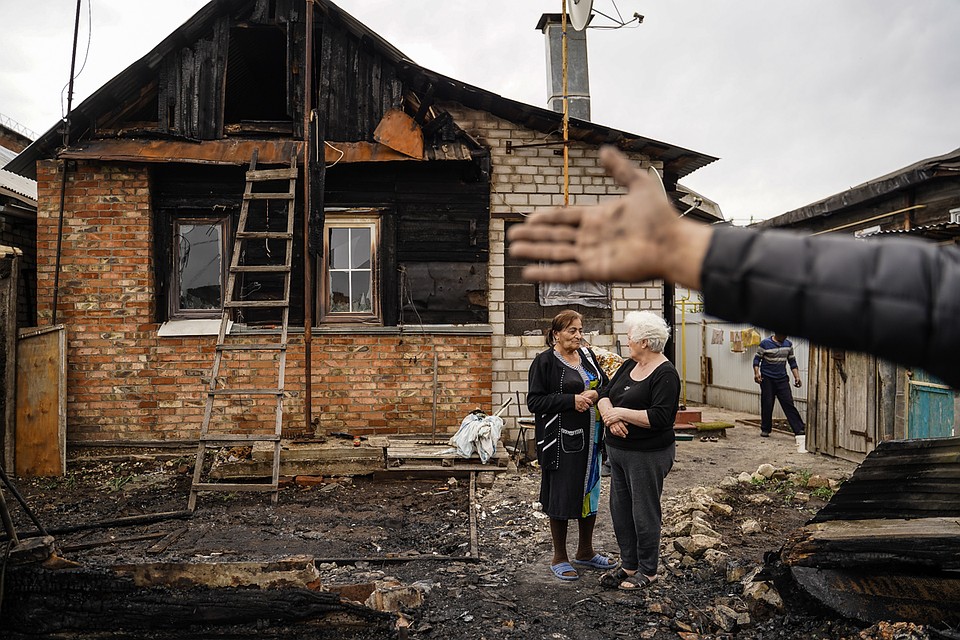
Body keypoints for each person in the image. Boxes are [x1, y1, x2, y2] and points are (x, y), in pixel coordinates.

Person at [507, 146, 960, 389]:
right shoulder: (573, 363)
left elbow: (929, 296)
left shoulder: (655, 371)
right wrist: (703, 254)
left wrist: (706, 255)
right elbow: (933, 297)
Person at [526, 310, 617, 581]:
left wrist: (595, 393)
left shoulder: (588, 358)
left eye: (580, 330)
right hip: (561, 442)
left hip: (592, 439)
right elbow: (535, 402)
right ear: (556, 334)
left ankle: (585, 551)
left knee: (590, 493)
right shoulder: (545, 363)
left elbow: (607, 386)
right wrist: (570, 401)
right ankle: (560, 556)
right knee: (562, 494)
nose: (578, 335)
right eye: (572, 331)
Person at [595, 311, 680, 591]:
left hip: (648, 454)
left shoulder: (666, 374)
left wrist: (620, 412)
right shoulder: (628, 364)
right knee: (620, 511)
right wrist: (611, 415)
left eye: (631, 336)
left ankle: (648, 570)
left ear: (644, 341)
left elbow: (660, 418)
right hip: (617, 451)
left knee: (644, 512)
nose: (627, 340)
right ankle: (629, 565)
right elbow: (604, 393)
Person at [754, 334, 805, 448]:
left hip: (782, 379)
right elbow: (756, 360)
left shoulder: (788, 344)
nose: (784, 337)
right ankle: (765, 429)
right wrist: (756, 373)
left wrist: (797, 377)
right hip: (767, 379)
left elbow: (792, 362)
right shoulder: (765, 344)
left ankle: (799, 429)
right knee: (767, 403)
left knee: (788, 403)